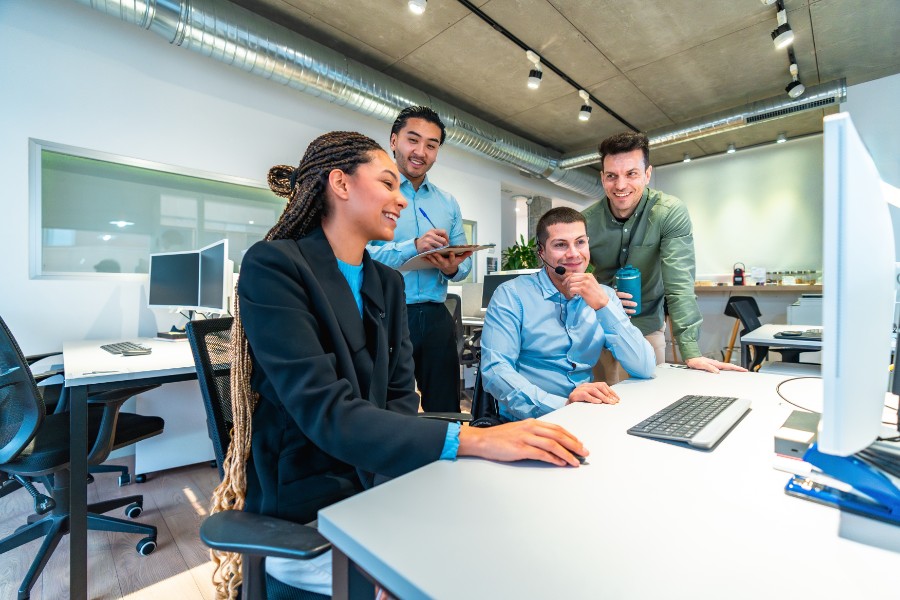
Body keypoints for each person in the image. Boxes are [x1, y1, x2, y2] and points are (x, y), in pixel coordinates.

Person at [209, 131, 588, 599]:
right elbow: (328, 414)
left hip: (378, 489)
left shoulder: (386, 283)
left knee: (509, 540)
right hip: (307, 514)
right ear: (340, 183)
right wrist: (475, 440)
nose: (401, 199)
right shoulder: (275, 266)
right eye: (387, 183)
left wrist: (403, 500)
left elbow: (400, 401)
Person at [582, 132, 746, 378]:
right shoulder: (585, 221)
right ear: (602, 177)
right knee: (599, 398)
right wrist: (605, 294)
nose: (620, 185)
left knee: (650, 398)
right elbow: (569, 277)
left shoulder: (668, 212)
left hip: (646, 328)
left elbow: (679, 283)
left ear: (647, 174)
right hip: (597, 329)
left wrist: (690, 351)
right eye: (612, 176)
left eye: (631, 174)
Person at [480, 207, 656, 422]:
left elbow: (644, 367)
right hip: (529, 421)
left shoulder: (604, 296)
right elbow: (495, 370)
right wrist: (562, 406)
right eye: (560, 245)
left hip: (586, 415)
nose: (573, 254)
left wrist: (603, 306)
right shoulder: (511, 295)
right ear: (541, 252)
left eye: (580, 242)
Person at [367, 106, 472, 413]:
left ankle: (449, 445)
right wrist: (412, 247)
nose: (420, 152)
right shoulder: (372, 193)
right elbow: (358, 253)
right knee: (386, 406)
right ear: (394, 141)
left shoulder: (447, 202)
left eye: (431, 145)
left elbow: (464, 263)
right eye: (413, 140)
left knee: (446, 406)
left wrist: (452, 266)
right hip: (385, 314)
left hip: (436, 316)